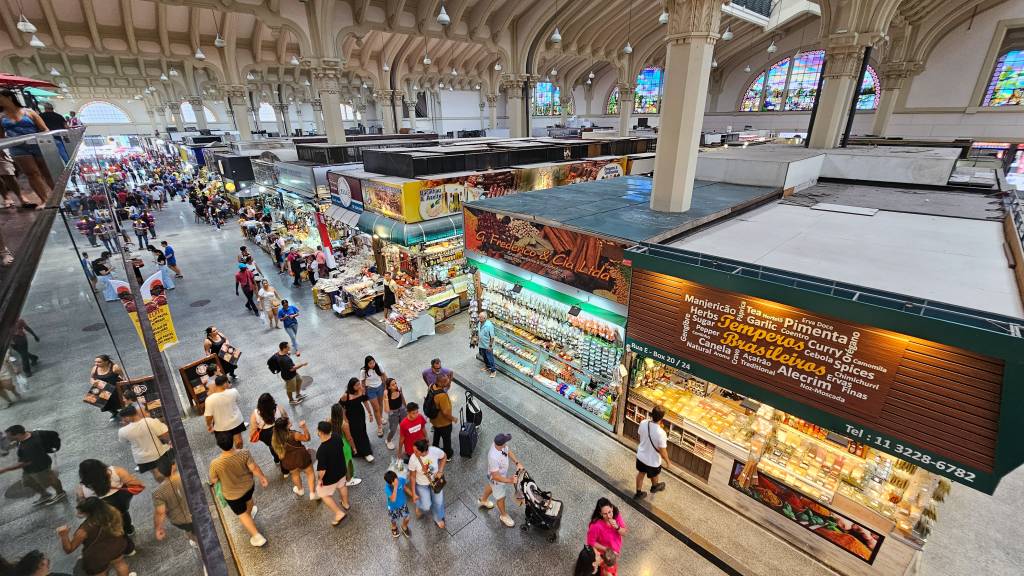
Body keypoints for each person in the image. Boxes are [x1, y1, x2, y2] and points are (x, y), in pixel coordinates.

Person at [208, 431, 268, 547]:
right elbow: (253, 468)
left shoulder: (215, 464)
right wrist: (262, 477)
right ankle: (250, 514)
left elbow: (214, 480)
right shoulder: (244, 453)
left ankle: (257, 536)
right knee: (249, 500)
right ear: (232, 440)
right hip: (248, 487)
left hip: (232, 495)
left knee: (242, 513)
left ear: (219, 445)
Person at [0, 90, 52, 206]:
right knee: (31, 173)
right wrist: (2, 150)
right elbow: (1, 137)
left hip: (37, 145)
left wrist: (45, 141)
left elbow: (44, 129)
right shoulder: (1, 117)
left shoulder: (29, 112)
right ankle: (44, 200)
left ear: (9, 97)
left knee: (46, 172)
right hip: (17, 147)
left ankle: (57, 196)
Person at [56, 497, 133, 576]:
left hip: (97, 556)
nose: (77, 513)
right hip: (116, 546)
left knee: (101, 573)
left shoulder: (84, 530)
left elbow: (69, 549)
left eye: (81, 512)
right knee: (120, 565)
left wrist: (64, 535)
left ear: (88, 513)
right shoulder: (113, 513)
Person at [75, 459, 142, 548]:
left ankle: (125, 544)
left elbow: (81, 510)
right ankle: (129, 529)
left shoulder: (81, 489)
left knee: (114, 525)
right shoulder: (116, 471)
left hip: (105, 510)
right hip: (122, 502)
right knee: (123, 513)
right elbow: (136, 484)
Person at [0, 425, 67, 505]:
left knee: (50, 479)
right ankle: (45, 495)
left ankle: (61, 493)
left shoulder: (30, 445)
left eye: (9, 436)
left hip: (40, 466)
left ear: (17, 435)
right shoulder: (24, 436)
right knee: (27, 481)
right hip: (30, 468)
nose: (7, 438)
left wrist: (5, 469)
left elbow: (24, 462)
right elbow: (17, 445)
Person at [479, 433, 522, 528]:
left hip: (495, 477)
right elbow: (496, 476)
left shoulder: (499, 445)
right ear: (501, 444)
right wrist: (510, 480)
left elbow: (508, 451)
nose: (506, 444)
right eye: (506, 442)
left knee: (490, 486)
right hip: (497, 479)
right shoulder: (493, 457)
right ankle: (503, 515)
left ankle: (483, 500)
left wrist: (517, 463)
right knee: (501, 498)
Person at [116, 404, 173, 477]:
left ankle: (165, 484)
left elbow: (123, 441)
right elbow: (164, 434)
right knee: (168, 472)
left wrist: (126, 426)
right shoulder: (150, 421)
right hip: (158, 451)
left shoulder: (122, 431)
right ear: (136, 412)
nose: (123, 420)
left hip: (142, 458)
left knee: (156, 474)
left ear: (127, 418)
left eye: (123, 418)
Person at [271, 416, 317, 500]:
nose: (290, 422)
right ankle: (312, 493)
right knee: (310, 473)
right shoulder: (294, 435)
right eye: (288, 422)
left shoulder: (275, 438)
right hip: (302, 457)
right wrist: (304, 427)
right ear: (286, 427)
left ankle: (300, 490)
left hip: (288, 461)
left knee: (295, 474)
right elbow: (307, 438)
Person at [152, 460, 195, 546]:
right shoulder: (184, 476)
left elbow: (161, 512)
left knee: (190, 531)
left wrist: (158, 529)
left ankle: (194, 539)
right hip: (195, 511)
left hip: (180, 521)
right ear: (173, 466)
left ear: (159, 472)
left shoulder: (158, 493)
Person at [314, 421, 350, 525]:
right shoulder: (336, 436)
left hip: (330, 477)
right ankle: (346, 504)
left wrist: (320, 479)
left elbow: (322, 470)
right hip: (341, 469)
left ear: (320, 432)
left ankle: (339, 513)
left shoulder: (321, 450)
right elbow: (341, 447)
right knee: (342, 486)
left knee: (323, 494)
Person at [407, 438, 447, 530]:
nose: (414, 453)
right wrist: (414, 493)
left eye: (416, 451)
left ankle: (438, 518)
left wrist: (440, 471)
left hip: (435, 482)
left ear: (424, 451)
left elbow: (444, 456)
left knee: (439, 502)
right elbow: (412, 476)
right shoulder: (413, 458)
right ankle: (419, 505)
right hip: (422, 485)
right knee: (426, 506)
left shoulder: (434, 451)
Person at [634, 404, 670, 499]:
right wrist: (668, 462)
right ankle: (654, 486)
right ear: (661, 418)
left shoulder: (643, 423)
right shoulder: (661, 433)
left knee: (641, 474)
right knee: (654, 474)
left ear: (651, 414)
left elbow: (639, 437)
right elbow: (663, 451)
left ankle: (638, 493)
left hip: (641, 456)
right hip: (652, 461)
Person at [204, 375, 245, 449]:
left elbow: (208, 416)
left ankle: (230, 456)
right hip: (236, 421)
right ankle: (239, 454)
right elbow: (238, 401)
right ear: (225, 383)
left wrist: (209, 425)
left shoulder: (209, 400)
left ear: (216, 385)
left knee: (226, 445)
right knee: (239, 441)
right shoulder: (234, 391)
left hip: (221, 426)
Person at [250, 393, 288, 474]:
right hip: (278, 430)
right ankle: (285, 470)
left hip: (265, 434)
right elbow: (286, 418)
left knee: (272, 446)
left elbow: (253, 428)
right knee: (281, 448)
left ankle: (276, 458)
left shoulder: (256, 413)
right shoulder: (278, 408)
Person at [338, 377, 374, 462]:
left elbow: (365, 402)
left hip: (360, 414)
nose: (359, 386)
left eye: (359, 384)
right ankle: (360, 451)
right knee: (355, 433)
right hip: (350, 416)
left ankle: (366, 450)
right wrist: (345, 418)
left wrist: (370, 413)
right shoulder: (345, 396)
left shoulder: (361, 391)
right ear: (352, 386)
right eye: (357, 385)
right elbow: (341, 407)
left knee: (362, 430)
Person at [329, 403, 361, 488]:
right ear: (340, 412)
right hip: (344, 445)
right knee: (347, 462)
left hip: (334, 444)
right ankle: (349, 480)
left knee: (340, 462)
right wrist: (354, 447)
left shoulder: (329, 420)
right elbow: (349, 438)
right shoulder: (344, 424)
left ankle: (343, 478)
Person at [427, 373, 457, 459]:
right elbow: (445, 412)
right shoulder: (442, 396)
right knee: (446, 439)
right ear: (440, 383)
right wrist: (453, 418)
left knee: (436, 434)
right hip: (444, 423)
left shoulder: (431, 386)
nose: (448, 382)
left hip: (434, 420)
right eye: (446, 381)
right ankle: (448, 455)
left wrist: (449, 380)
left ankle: (434, 449)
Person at [270, 341, 307, 405]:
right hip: (289, 376)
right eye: (288, 347)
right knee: (290, 389)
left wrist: (287, 353)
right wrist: (302, 364)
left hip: (291, 373)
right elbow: (292, 369)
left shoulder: (279, 353)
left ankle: (298, 395)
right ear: (284, 348)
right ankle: (291, 400)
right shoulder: (284, 360)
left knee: (299, 380)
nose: (290, 347)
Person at [359, 355, 387, 438]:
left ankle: (381, 417)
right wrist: (363, 391)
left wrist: (386, 386)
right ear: (367, 364)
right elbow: (362, 382)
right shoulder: (363, 371)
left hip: (380, 387)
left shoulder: (378, 366)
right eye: (370, 363)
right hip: (371, 390)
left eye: (373, 362)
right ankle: (379, 427)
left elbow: (384, 375)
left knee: (380, 404)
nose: (372, 365)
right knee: (376, 408)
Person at [90, 355, 125, 419]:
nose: (96, 364)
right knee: (99, 401)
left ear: (106, 362)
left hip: (114, 386)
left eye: (99, 362)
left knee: (121, 402)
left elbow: (123, 376)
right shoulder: (95, 368)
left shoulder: (115, 367)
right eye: (95, 362)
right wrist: (92, 382)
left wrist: (123, 387)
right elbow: (92, 378)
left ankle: (126, 412)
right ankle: (114, 412)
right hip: (102, 387)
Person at [384, 469, 411, 539]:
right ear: (388, 483)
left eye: (395, 479)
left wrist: (412, 495)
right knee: (393, 520)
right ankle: (394, 527)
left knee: (407, 517)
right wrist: (395, 487)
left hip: (402, 504)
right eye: (391, 482)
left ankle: (404, 526)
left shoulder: (401, 480)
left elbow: (404, 487)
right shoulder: (387, 488)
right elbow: (393, 499)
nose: (394, 482)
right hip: (393, 507)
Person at [382, 378, 406, 451]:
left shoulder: (399, 389)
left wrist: (406, 407)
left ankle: (407, 439)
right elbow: (387, 410)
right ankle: (388, 440)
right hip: (393, 413)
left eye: (395, 383)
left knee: (404, 426)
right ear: (389, 387)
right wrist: (385, 397)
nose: (395, 385)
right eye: (393, 385)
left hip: (402, 409)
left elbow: (402, 399)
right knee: (393, 429)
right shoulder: (387, 395)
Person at [478, 311, 497, 377]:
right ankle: (487, 367)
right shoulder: (480, 323)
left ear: (484, 318)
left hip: (488, 345)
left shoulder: (489, 325)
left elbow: (492, 337)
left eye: (480, 317)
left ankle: (493, 371)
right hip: (481, 344)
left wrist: (490, 346)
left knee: (490, 358)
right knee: (484, 356)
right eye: (479, 316)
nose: (479, 318)